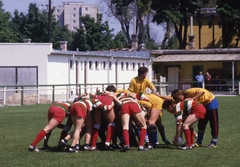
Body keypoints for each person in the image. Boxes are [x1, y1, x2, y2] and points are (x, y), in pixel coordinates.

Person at [128, 66, 170, 147]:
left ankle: (158, 140)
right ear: (142, 74)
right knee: (145, 122)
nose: (146, 75)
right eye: (145, 73)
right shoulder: (134, 80)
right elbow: (130, 92)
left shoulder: (146, 80)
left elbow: (153, 88)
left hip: (149, 102)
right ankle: (153, 141)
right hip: (139, 101)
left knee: (153, 122)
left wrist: (154, 93)